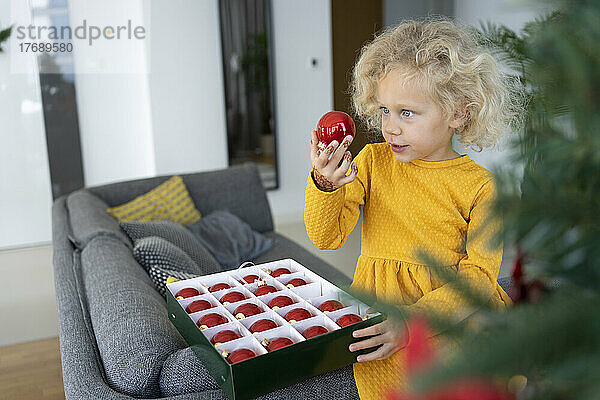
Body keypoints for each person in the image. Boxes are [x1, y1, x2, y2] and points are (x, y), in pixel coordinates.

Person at [304, 17, 524, 400]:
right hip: (377, 308)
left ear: (458, 112)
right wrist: (325, 185)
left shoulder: (481, 187)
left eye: (407, 113)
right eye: (385, 110)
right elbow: (326, 237)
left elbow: (478, 278)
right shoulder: (372, 162)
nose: (390, 127)